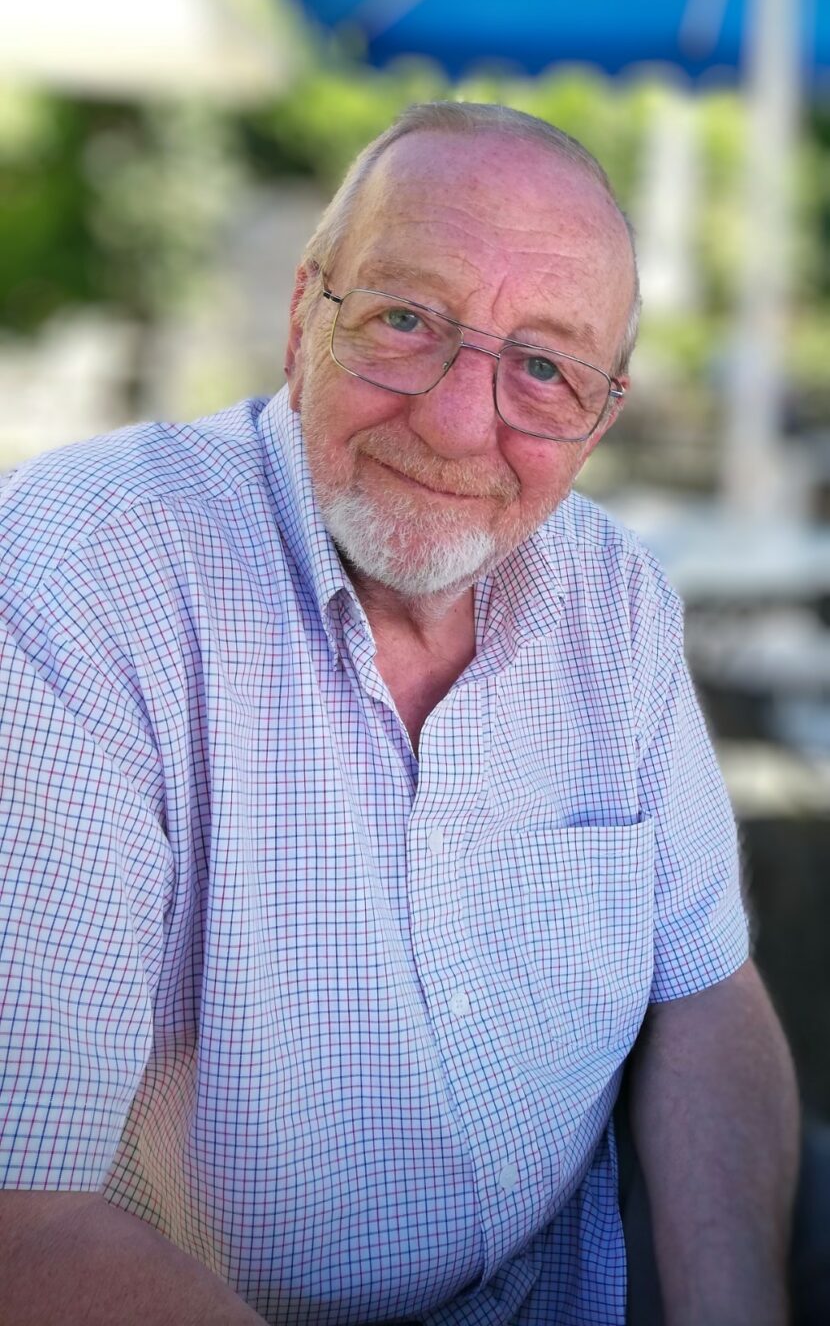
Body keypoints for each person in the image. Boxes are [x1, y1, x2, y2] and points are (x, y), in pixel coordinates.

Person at [0, 101, 799, 1326]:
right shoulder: (80, 576)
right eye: (405, 321)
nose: (456, 421)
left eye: (543, 367)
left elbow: (700, 986)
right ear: (301, 321)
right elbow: (21, 1216)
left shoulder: (614, 596)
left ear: (599, 416)